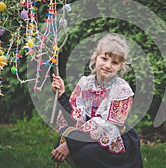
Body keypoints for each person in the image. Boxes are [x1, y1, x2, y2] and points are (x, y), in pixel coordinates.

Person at [51, 33, 143, 168]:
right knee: (62, 141)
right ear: (96, 58)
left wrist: (71, 143)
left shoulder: (122, 89)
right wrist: (61, 95)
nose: (107, 65)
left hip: (113, 138)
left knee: (87, 152)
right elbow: (76, 116)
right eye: (104, 58)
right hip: (88, 136)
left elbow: (108, 125)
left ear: (121, 66)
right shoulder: (85, 83)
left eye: (114, 62)